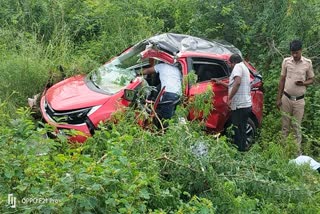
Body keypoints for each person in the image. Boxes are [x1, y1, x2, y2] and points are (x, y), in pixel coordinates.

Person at [276, 40, 314, 153]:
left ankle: (296, 153)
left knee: (296, 127)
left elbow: (311, 79)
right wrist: (278, 98)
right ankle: (283, 152)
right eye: (292, 52)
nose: (294, 55)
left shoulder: (307, 63)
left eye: (296, 52)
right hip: (286, 98)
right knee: (285, 126)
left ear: (301, 50)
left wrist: (303, 83)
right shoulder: (286, 61)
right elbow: (282, 80)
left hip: (299, 101)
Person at [227, 53, 252, 151]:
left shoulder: (237, 66)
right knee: (242, 131)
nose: (230, 66)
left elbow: (237, 82)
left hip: (240, 106)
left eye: (230, 64)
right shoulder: (244, 67)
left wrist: (229, 98)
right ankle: (242, 152)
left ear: (233, 62)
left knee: (237, 131)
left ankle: (239, 152)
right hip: (246, 104)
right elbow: (235, 84)